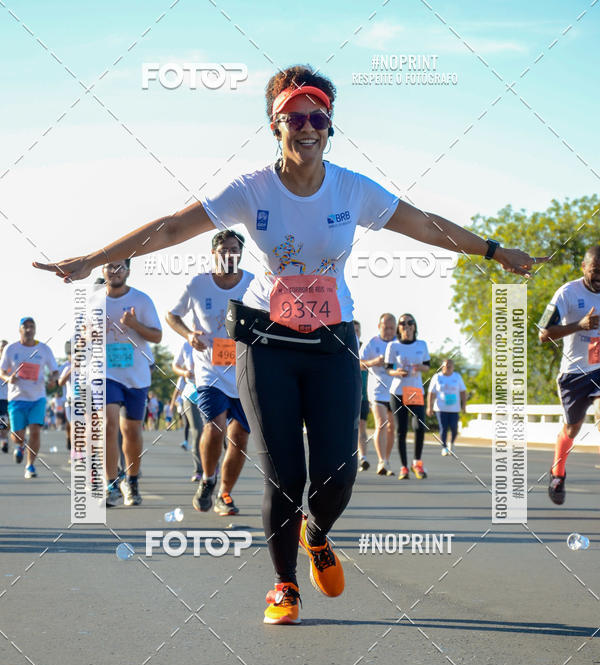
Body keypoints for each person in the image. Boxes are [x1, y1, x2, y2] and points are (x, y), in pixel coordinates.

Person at [34, 64, 543, 624]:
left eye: (317, 118)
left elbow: (424, 226)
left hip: (333, 342)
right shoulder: (251, 188)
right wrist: (93, 259)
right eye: (294, 118)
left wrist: (494, 251)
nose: (307, 128)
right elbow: (173, 226)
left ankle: (315, 533)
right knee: (285, 474)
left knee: (338, 473)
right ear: (274, 126)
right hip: (265, 342)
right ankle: (284, 586)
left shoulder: (352, 188)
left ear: (331, 126)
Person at [166, 230, 252, 516]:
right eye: (223, 250)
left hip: (244, 370)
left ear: (241, 253)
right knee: (215, 427)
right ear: (214, 254)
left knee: (239, 438)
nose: (229, 254)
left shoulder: (253, 284)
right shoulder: (198, 284)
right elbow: (172, 315)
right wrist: (189, 335)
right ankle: (207, 479)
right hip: (209, 369)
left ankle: (224, 494)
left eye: (234, 249)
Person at [538, 245, 600, 504]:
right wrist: (580, 325)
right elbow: (543, 333)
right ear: (584, 268)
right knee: (572, 429)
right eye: (595, 270)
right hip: (574, 373)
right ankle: (558, 472)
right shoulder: (567, 293)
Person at [102, 259, 162, 506]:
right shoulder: (93, 301)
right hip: (106, 373)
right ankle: (111, 484)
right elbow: (80, 338)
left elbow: (157, 336)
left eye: (120, 266)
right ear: (102, 270)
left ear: (128, 270)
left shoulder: (142, 300)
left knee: (132, 431)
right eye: (109, 266)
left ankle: (132, 480)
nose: (114, 271)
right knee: (109, 424)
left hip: (136, 374)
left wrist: (135, 325)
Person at [0, 318, 58, 477]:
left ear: (35, 329)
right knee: (17, 435)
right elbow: (2, 371)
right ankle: (20, 445)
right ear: (20, 329)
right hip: (17, 398)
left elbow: (55, 371)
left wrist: (53, 379)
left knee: (35, 431)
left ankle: (30, 466)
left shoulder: (44, 349)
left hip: (38, 398)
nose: (28, 329)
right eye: (25, 327)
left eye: (31, 326)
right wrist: (8, 378)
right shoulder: (11, 349)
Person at [386, 314, 430, 479]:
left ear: (414, 326)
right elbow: (388, 369)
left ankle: (417, 462)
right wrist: (397, 372)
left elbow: (427, 366)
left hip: (415, 390)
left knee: (419, 426)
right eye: (403, 323)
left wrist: (419, 367)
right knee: (402, 430)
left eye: (410, 322)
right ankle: (404, 467)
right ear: (399, 327)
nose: (406, 325)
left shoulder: (421, 344)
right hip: (398, 391)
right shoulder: (393, 345)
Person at [361, 314, 397, 476]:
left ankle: (386, 460)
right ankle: (381, 461)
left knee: (391, 427)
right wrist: (374, 362)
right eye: (385, 328)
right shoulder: (372, 343)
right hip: (377, 390)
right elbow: (358, 362)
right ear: (379, 327)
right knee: (381, 424)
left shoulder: (399, 344)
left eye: (392, 328)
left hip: (395, 391)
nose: (388, 331)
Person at [172, 339, 204, 482]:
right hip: (192, 394)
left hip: (213, 392)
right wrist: (184, 372)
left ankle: (212, 465)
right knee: (197, 431)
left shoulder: (217, 338)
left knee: (214, 432)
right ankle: (199, 470)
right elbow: (175, 365)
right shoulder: (186, 345)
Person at [426, 358, 467, 455]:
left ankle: (451, 443)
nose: (447, 368)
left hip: (454, 408)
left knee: (454, 428)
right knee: (443, 428)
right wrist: (429, 407)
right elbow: (431, 393)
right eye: (445, 366)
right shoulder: (437, 377)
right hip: (441, 407)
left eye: (450, 367)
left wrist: (464, 405)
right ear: (442, 367)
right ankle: (444, 447)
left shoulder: (457, 377)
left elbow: (463, 391)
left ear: (453, 367)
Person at [353, 320, 371, 471]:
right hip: (346, 395)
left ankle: (363, 457)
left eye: (357, 330)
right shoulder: (342, 347)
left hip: (363, 396)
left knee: (361, 426)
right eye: (353, 330)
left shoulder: (365, 349)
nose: (355, 333)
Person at [0, 340, 8, 453]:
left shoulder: (12, 364)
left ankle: (4, 441)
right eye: (2, 348)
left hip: (6, 398)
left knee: (4, 422)